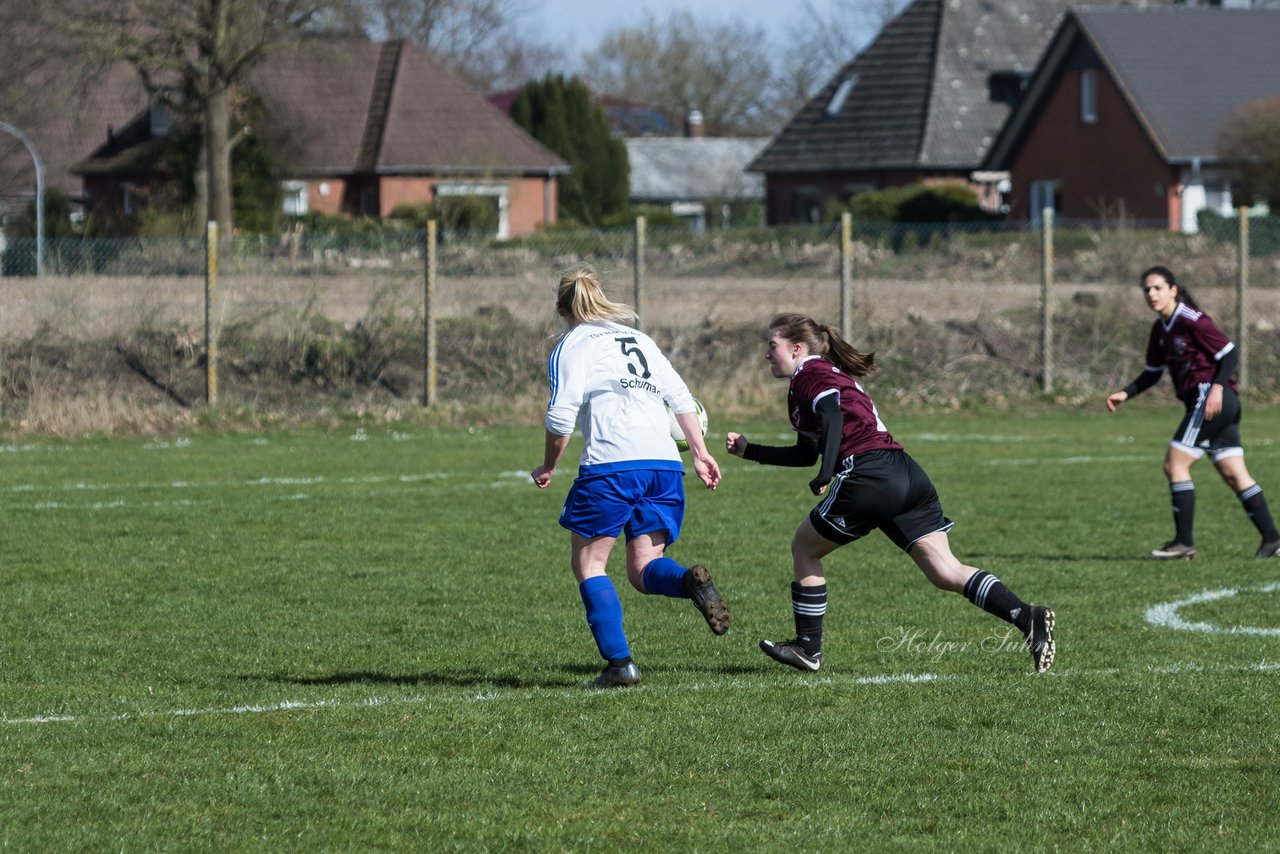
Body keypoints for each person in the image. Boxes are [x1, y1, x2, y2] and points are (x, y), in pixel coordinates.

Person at [726, 313, 1055, 674]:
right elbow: (806, 451)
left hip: (869, 475)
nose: (766, 355)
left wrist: (826, 472)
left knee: (804, 548)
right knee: (945, 571)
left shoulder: (810, 374)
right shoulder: (824, 377)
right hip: (906, 473)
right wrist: (750, 450)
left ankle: (808, 649)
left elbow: (833, 417)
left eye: (772, 346)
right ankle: (1028, 617)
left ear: (797, 348)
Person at [531, 265, 729, 689]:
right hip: (663, 466)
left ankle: (620, 665)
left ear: (561, 308)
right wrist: (700, 452)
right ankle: (690, 585)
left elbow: (561, 414)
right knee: (644, 570)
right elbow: (680, 399)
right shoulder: (640, 340)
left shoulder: (571, 345)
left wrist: (549, 465)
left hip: (611, 466)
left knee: (588, 563)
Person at [1106, 265, 1280, 560]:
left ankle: (1183, 543)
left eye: (1157, 287)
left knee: (1175, 464)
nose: (1151, 294)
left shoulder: (1192, 319)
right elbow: (1152, 372)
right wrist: (1127, 392)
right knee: (1234, 473)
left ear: (1173, 290)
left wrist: (1216, 388)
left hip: (1209, 399)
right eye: (1147, 289)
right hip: (1214, 403)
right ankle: (1273, 540)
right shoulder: (1160, 329)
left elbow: (1229, 352)